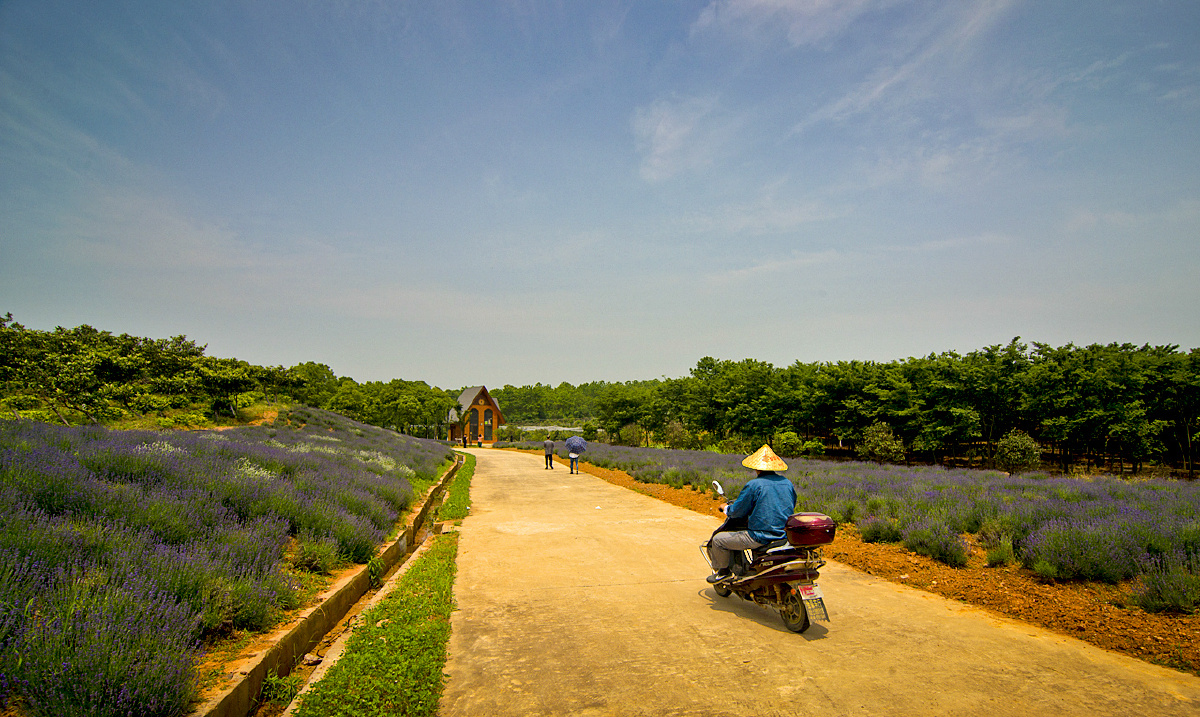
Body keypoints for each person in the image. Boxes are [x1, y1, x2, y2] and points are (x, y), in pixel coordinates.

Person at [707, 444, 797, 584]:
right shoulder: (787, 483)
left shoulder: (754, 485)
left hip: (760, 536)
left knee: (718, 540)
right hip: (783, 535)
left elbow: (737, 511)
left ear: (756, 467)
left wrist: (726, 508)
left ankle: (723, 573)